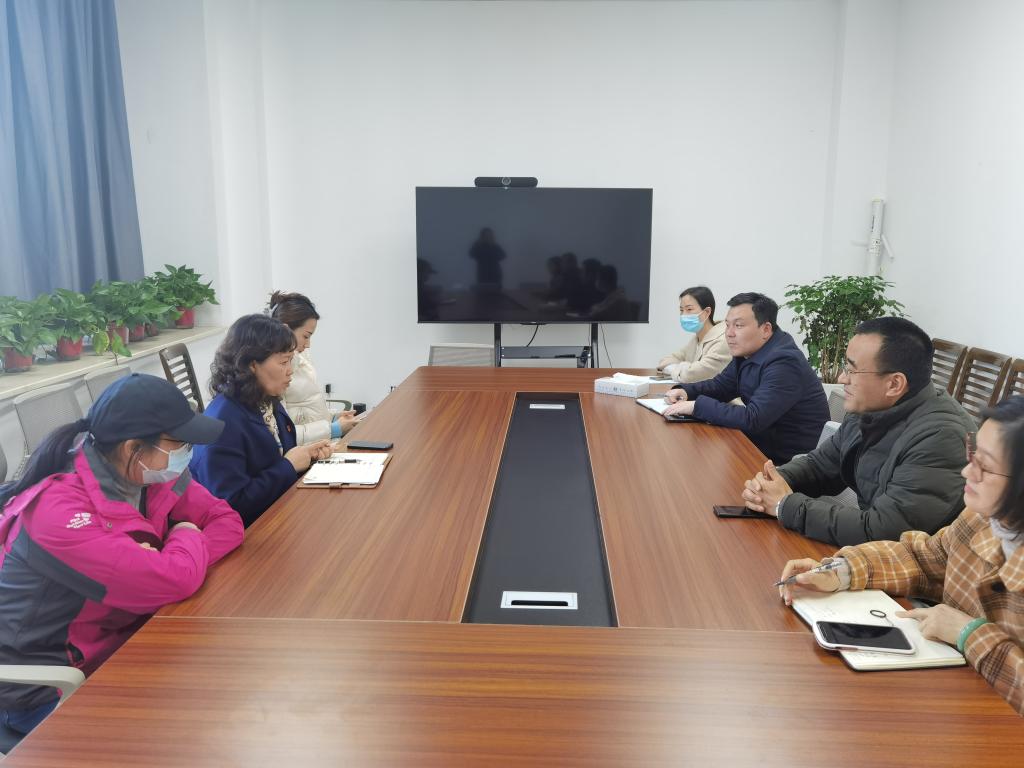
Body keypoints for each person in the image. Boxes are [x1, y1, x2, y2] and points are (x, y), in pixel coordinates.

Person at [0, 374, 243, 751]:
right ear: (133, 447)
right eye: (179, 443)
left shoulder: (149, 475)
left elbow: (227, 521)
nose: (187, 452)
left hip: (122, 641)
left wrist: (174, 558)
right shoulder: (59, 514)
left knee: (221, 700)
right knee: (183, 740)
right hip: (49, 688)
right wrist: (184, 540)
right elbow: (177, 579)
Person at [778, 396, 1024, 715]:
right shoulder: (980, 519)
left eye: (985, 467)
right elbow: (922, 558)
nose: (967, 471)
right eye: (973, 454)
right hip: (953, 701)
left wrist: (969, 634)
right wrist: (840, 571)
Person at [741, 317, 975, 546]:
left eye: (852, 370)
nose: (842, 378)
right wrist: (774, 481)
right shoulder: (870, 408)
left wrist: (785, 505)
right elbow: (821, 466)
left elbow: (885, 531)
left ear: (894, 384)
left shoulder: (942, 438)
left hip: (917, 564)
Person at [189, 314, 333, 527]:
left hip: (278, 514)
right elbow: (232, 504)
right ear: (251, 365)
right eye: (283, 362)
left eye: (290, 360)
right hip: (246, 531)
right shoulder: (222, 423)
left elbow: (277, 458)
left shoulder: (265, 399)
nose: (290, 371)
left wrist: (306, 457)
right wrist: (289, 466)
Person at [664, 292, 828, 464]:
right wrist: (685, 391)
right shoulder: (747, 352)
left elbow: (753, 418)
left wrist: (696, 406)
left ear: (766, 329)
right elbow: (721, 386)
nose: (729, 333)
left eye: (738, 326)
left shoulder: (785, 362)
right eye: (727, 325)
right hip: (760, 446)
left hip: (790, 463)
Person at [268, 291, 358, 445]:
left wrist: (333, 418)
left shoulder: (301, 357)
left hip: (320, 442)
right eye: (306, 336)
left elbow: (309, 408)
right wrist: (333, 429)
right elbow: (283, 431)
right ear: (285, 330)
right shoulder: (274, 372)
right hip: (306, 448)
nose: (308, 344)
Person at [656, 286, 731, 383]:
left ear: (707, 312)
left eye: (689, 309)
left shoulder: (723, 341)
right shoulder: (696, 340)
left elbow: (690, 376)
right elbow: (665, 361)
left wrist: (680, 368)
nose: (683, 315)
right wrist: (685, 367)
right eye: (681, 310)